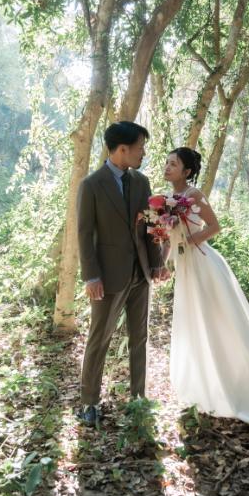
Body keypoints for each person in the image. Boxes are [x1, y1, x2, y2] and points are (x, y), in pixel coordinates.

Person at [164, 147, 249, 429]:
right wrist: (164, 262)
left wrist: (188, 242)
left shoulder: (194, 195)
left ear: (186, 171)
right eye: (166, 162)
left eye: (173, 164)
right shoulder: (165, 200)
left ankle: (240, 384)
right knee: (193, 322)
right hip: (185, 267)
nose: (167, 167)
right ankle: (204, 383)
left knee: (217, 322)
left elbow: (214, 226)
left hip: (203, 264)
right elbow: (167, 237)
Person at [77, 121, 167, 427]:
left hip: (140, 273)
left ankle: (138, 398)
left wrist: (156, 262)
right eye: (140, 147)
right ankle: (89, 402)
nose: (143, 153)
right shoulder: (91, 185)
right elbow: (84, 234)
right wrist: (91, 277)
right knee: (99, 339)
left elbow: (151, 225)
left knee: (139, 337)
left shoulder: (142, 182)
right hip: (107, 278)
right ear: (123, 149)